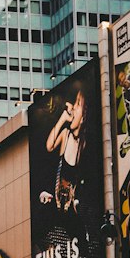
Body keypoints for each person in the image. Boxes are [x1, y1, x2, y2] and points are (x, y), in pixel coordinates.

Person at [40, 86, 87, 216]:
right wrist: (62, 119)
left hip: (72, 211)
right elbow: (49, 146)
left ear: (83, 117)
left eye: (78, 104)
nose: (73, 106)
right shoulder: (66, 135)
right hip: (55, 206)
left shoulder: (84, 145)